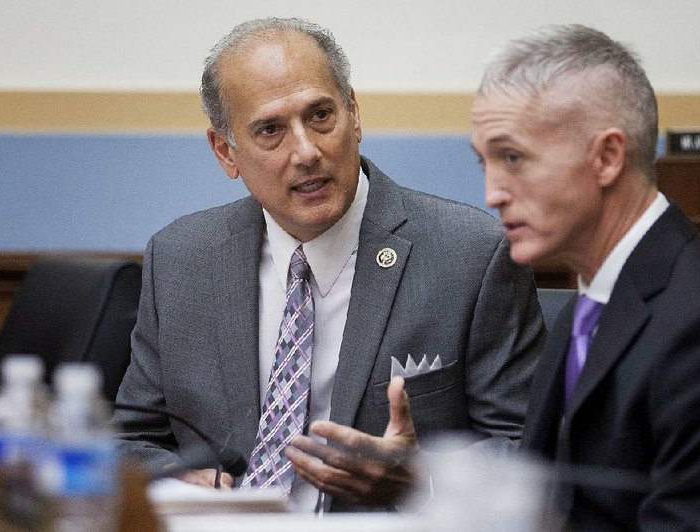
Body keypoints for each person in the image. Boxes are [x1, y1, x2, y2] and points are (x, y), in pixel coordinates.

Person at [113, 17, 545, 513]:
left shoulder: (469, 254)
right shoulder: (181, 259)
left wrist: (419, 480)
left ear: (354, 114)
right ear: (225, 152)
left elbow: (526, 453)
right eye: (270, 130)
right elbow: (131, 440)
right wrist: (178, 479)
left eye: (321, 115)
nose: (307, 151)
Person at [470, 24, 700, 530]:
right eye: (484, 163)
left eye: (513, 158)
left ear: (607, 157)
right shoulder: (589, 305)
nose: (492, 193)